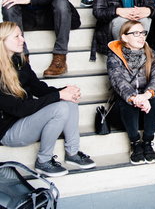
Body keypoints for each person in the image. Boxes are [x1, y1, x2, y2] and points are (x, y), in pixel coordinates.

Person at [0, 21, 95, 177]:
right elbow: (20, 108)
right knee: (61, 107)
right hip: (8, 131)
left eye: (21, 35)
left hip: (26, 120)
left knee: (68, 102)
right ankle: (43, 161)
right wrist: (58, 96)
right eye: (16, 36)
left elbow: (39, 88)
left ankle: (73, 153)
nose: (22, 40)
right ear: (2, 40)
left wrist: (64, 91)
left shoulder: (19, 62)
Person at [107, 20, 155, 165]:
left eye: (143, 33)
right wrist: (135, 98)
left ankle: (147, 142)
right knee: (126, 100)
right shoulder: (114, 56)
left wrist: (145, 96)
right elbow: (118, 82)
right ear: (125, 37)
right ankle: (135, 143)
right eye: (136, 33)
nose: (141, 37)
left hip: (147, 111)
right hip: (123, 113)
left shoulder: (151, 54)